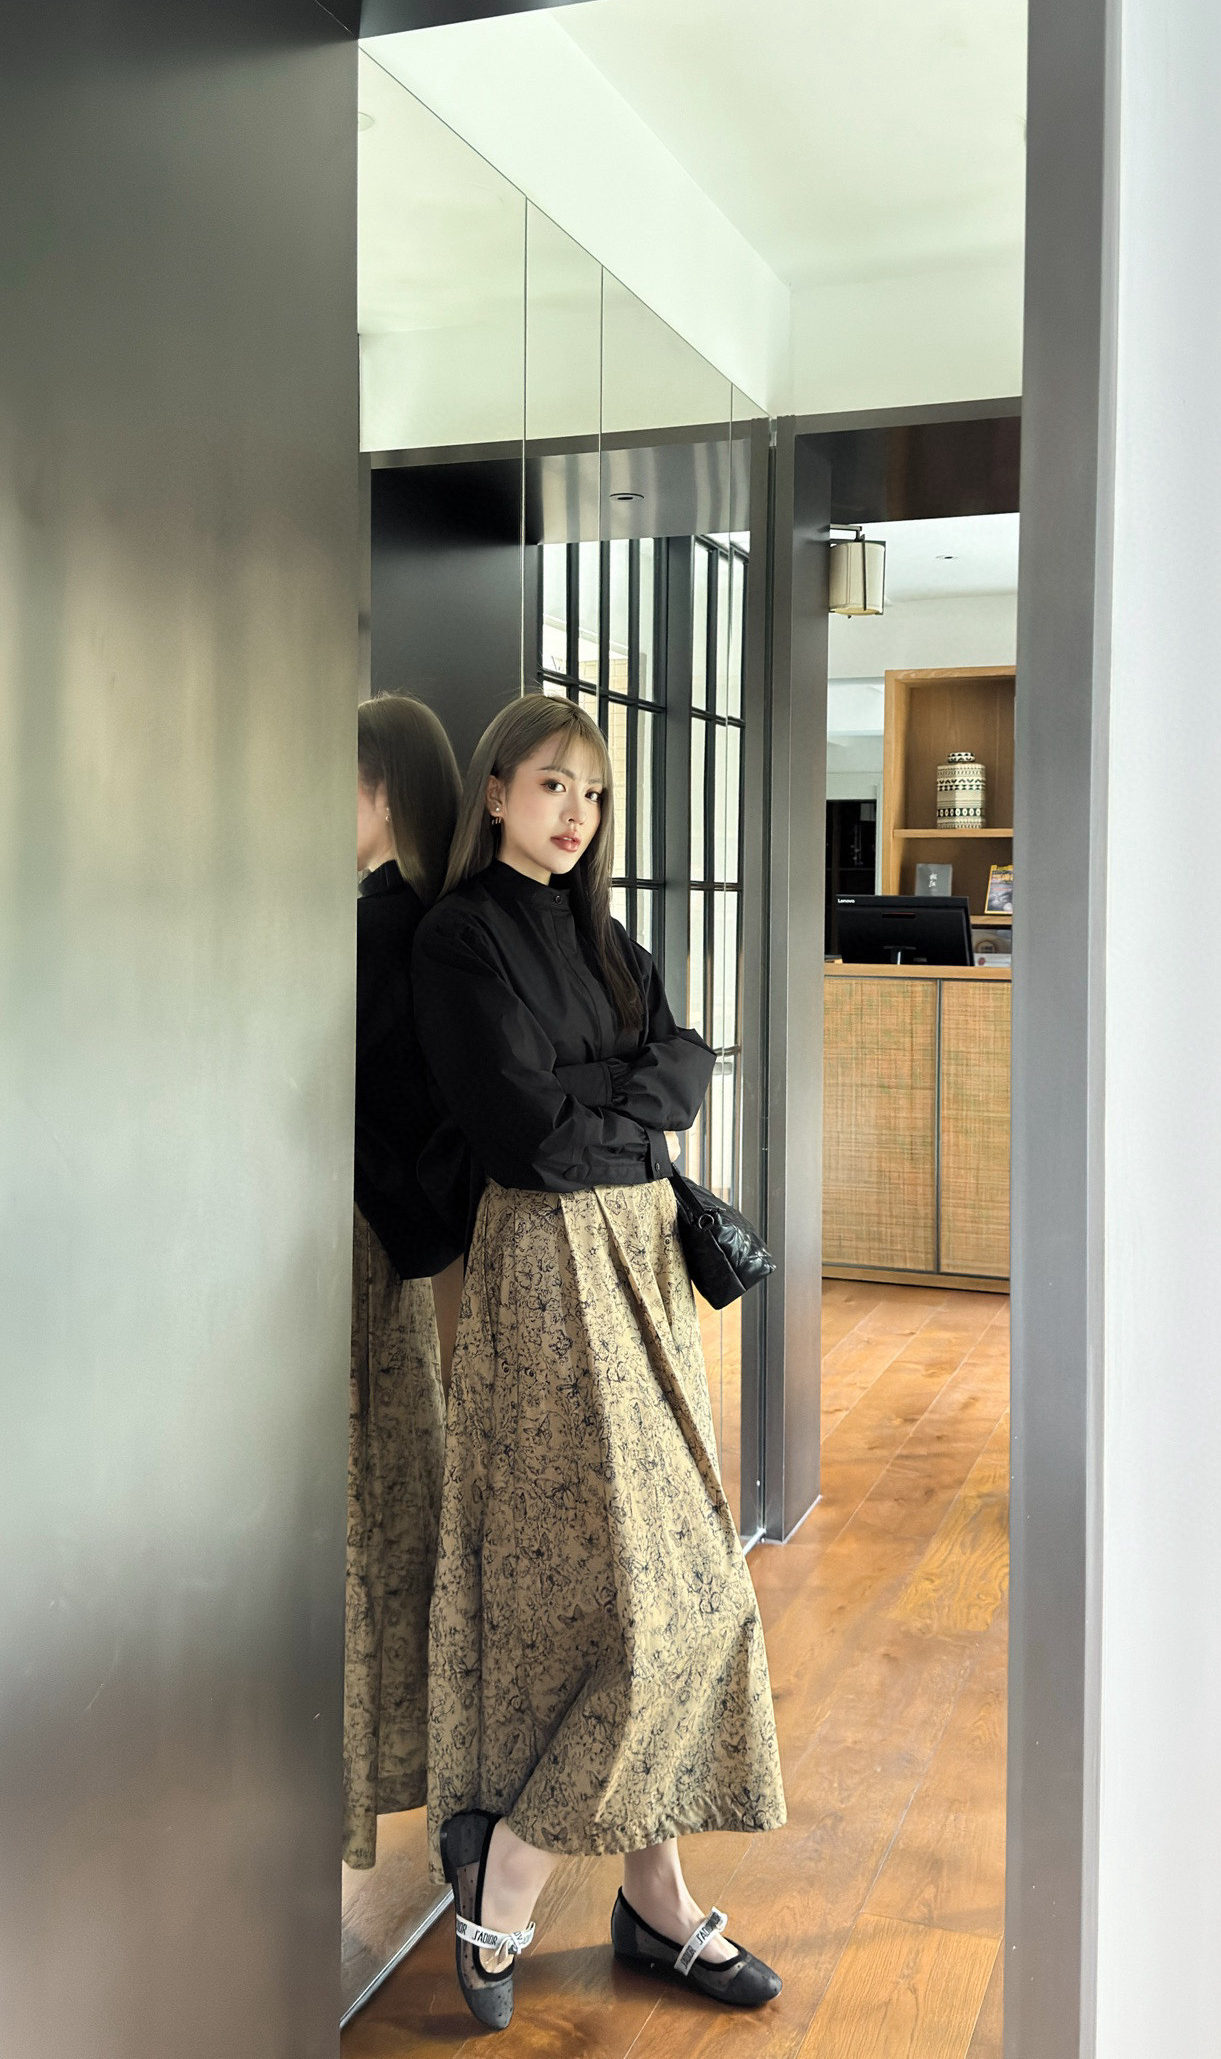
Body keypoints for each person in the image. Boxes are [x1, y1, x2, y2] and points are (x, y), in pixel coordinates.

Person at [412, 693, 786, 2031]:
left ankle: (606, 1880)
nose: (575, 812)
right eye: (553, 784)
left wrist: (605, 1100)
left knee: (678, 1584)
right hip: (544, 1274)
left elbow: (684, 1065)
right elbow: (525, 1135)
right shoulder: (459, 937)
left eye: (593, 793)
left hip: (643, 1269)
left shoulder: (604, 934)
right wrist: (621, 1105)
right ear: (497, 788)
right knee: (624, 1596)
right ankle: (564, 1876)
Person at [345, 693, 466, 1870]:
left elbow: (369, 1112)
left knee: (366, 1501)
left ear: (382, 793)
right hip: (404, 1254)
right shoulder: (424, 924)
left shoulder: (382, 929)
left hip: (361, 1250)